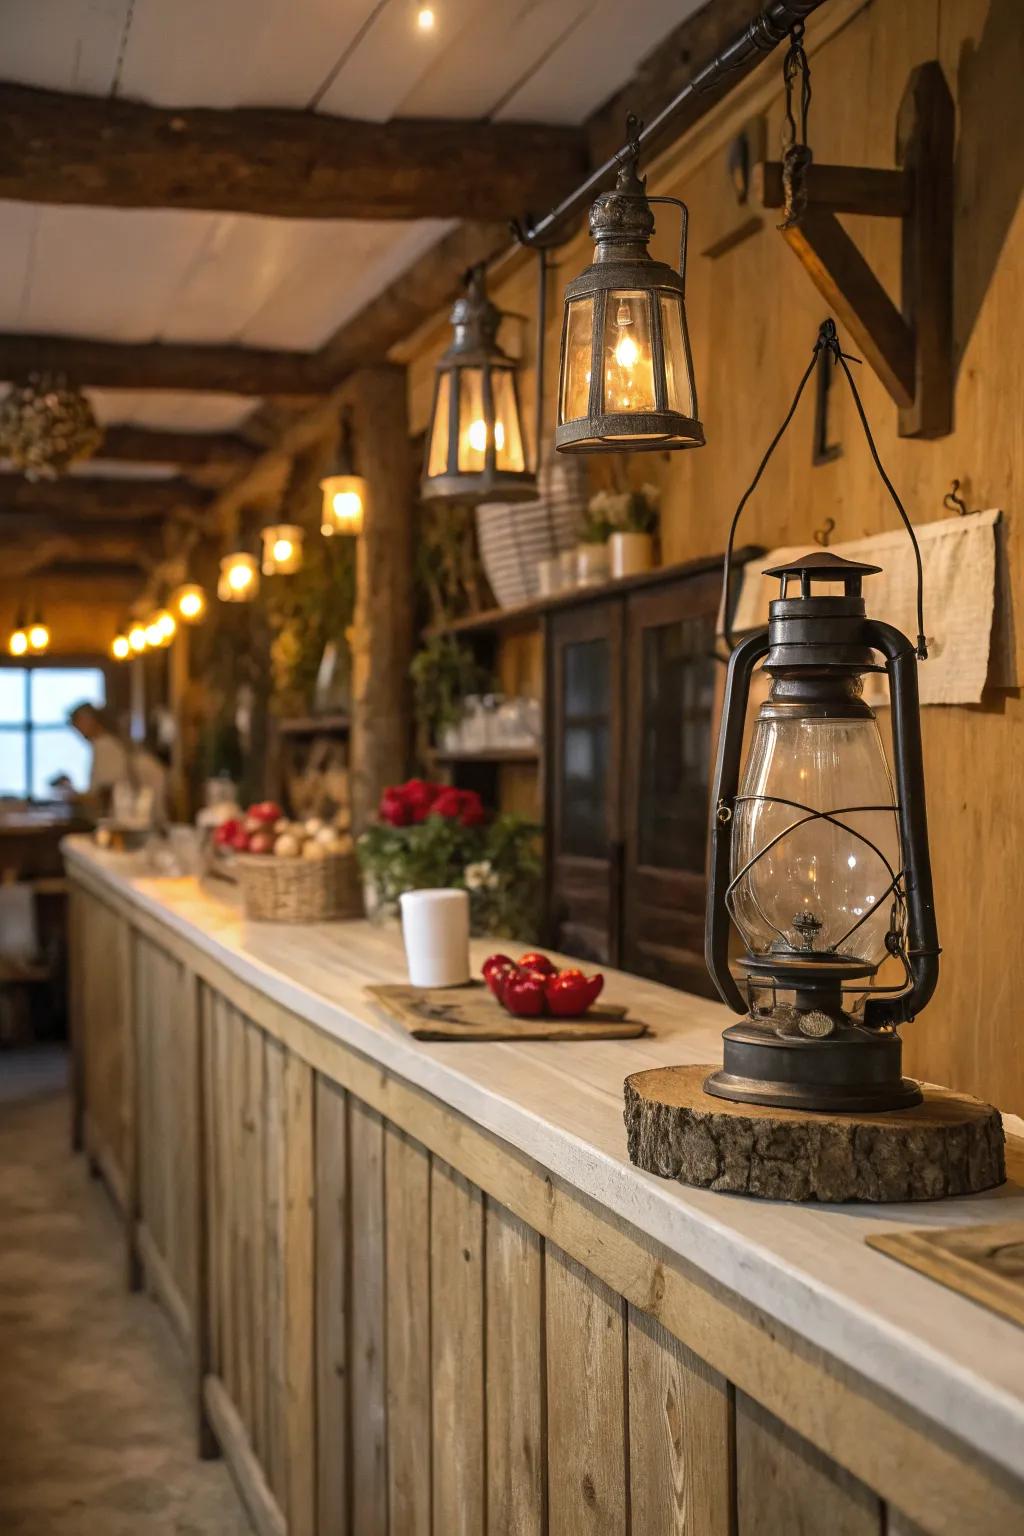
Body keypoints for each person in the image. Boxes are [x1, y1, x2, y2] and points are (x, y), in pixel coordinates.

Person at [54, 703, 168, 824]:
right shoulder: (109, 744)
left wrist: (73, 797)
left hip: (130, 821)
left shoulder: (104, 746)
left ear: (88, 720)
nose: (78, 733)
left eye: (77, 725)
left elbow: (105, 794)